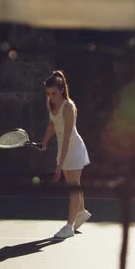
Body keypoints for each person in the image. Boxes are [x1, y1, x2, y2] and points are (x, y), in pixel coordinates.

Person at [40, 70, 91, 238]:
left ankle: (69, 227)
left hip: (73, 148)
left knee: (73, 186)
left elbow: (68, 137)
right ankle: (82, 212)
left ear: (62, 90)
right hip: (62, 148)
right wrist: (45, 141)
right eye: (48, 93)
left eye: (54, 93)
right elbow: (52, 125)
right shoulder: (51, 104)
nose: (51, 96)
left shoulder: (68, 107)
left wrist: (59, 164)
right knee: (73, 184)